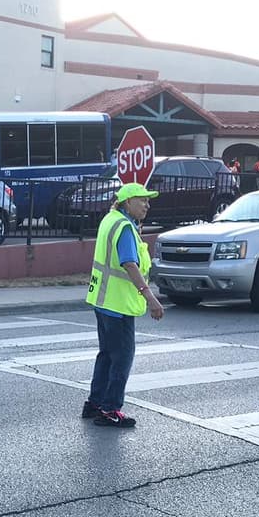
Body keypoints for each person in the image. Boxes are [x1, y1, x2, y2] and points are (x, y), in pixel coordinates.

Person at [82, 181, 165, 427]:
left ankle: (95, 403)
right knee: (122, 357)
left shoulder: (110, 219)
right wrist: (150, 297)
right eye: (143, 200)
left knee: (106, 354)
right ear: (128, 202)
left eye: (148, 201)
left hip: (102, 299)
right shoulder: (125, 228)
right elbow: (129, 264)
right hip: (118, 304)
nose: (147, 205)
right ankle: (110, 410)